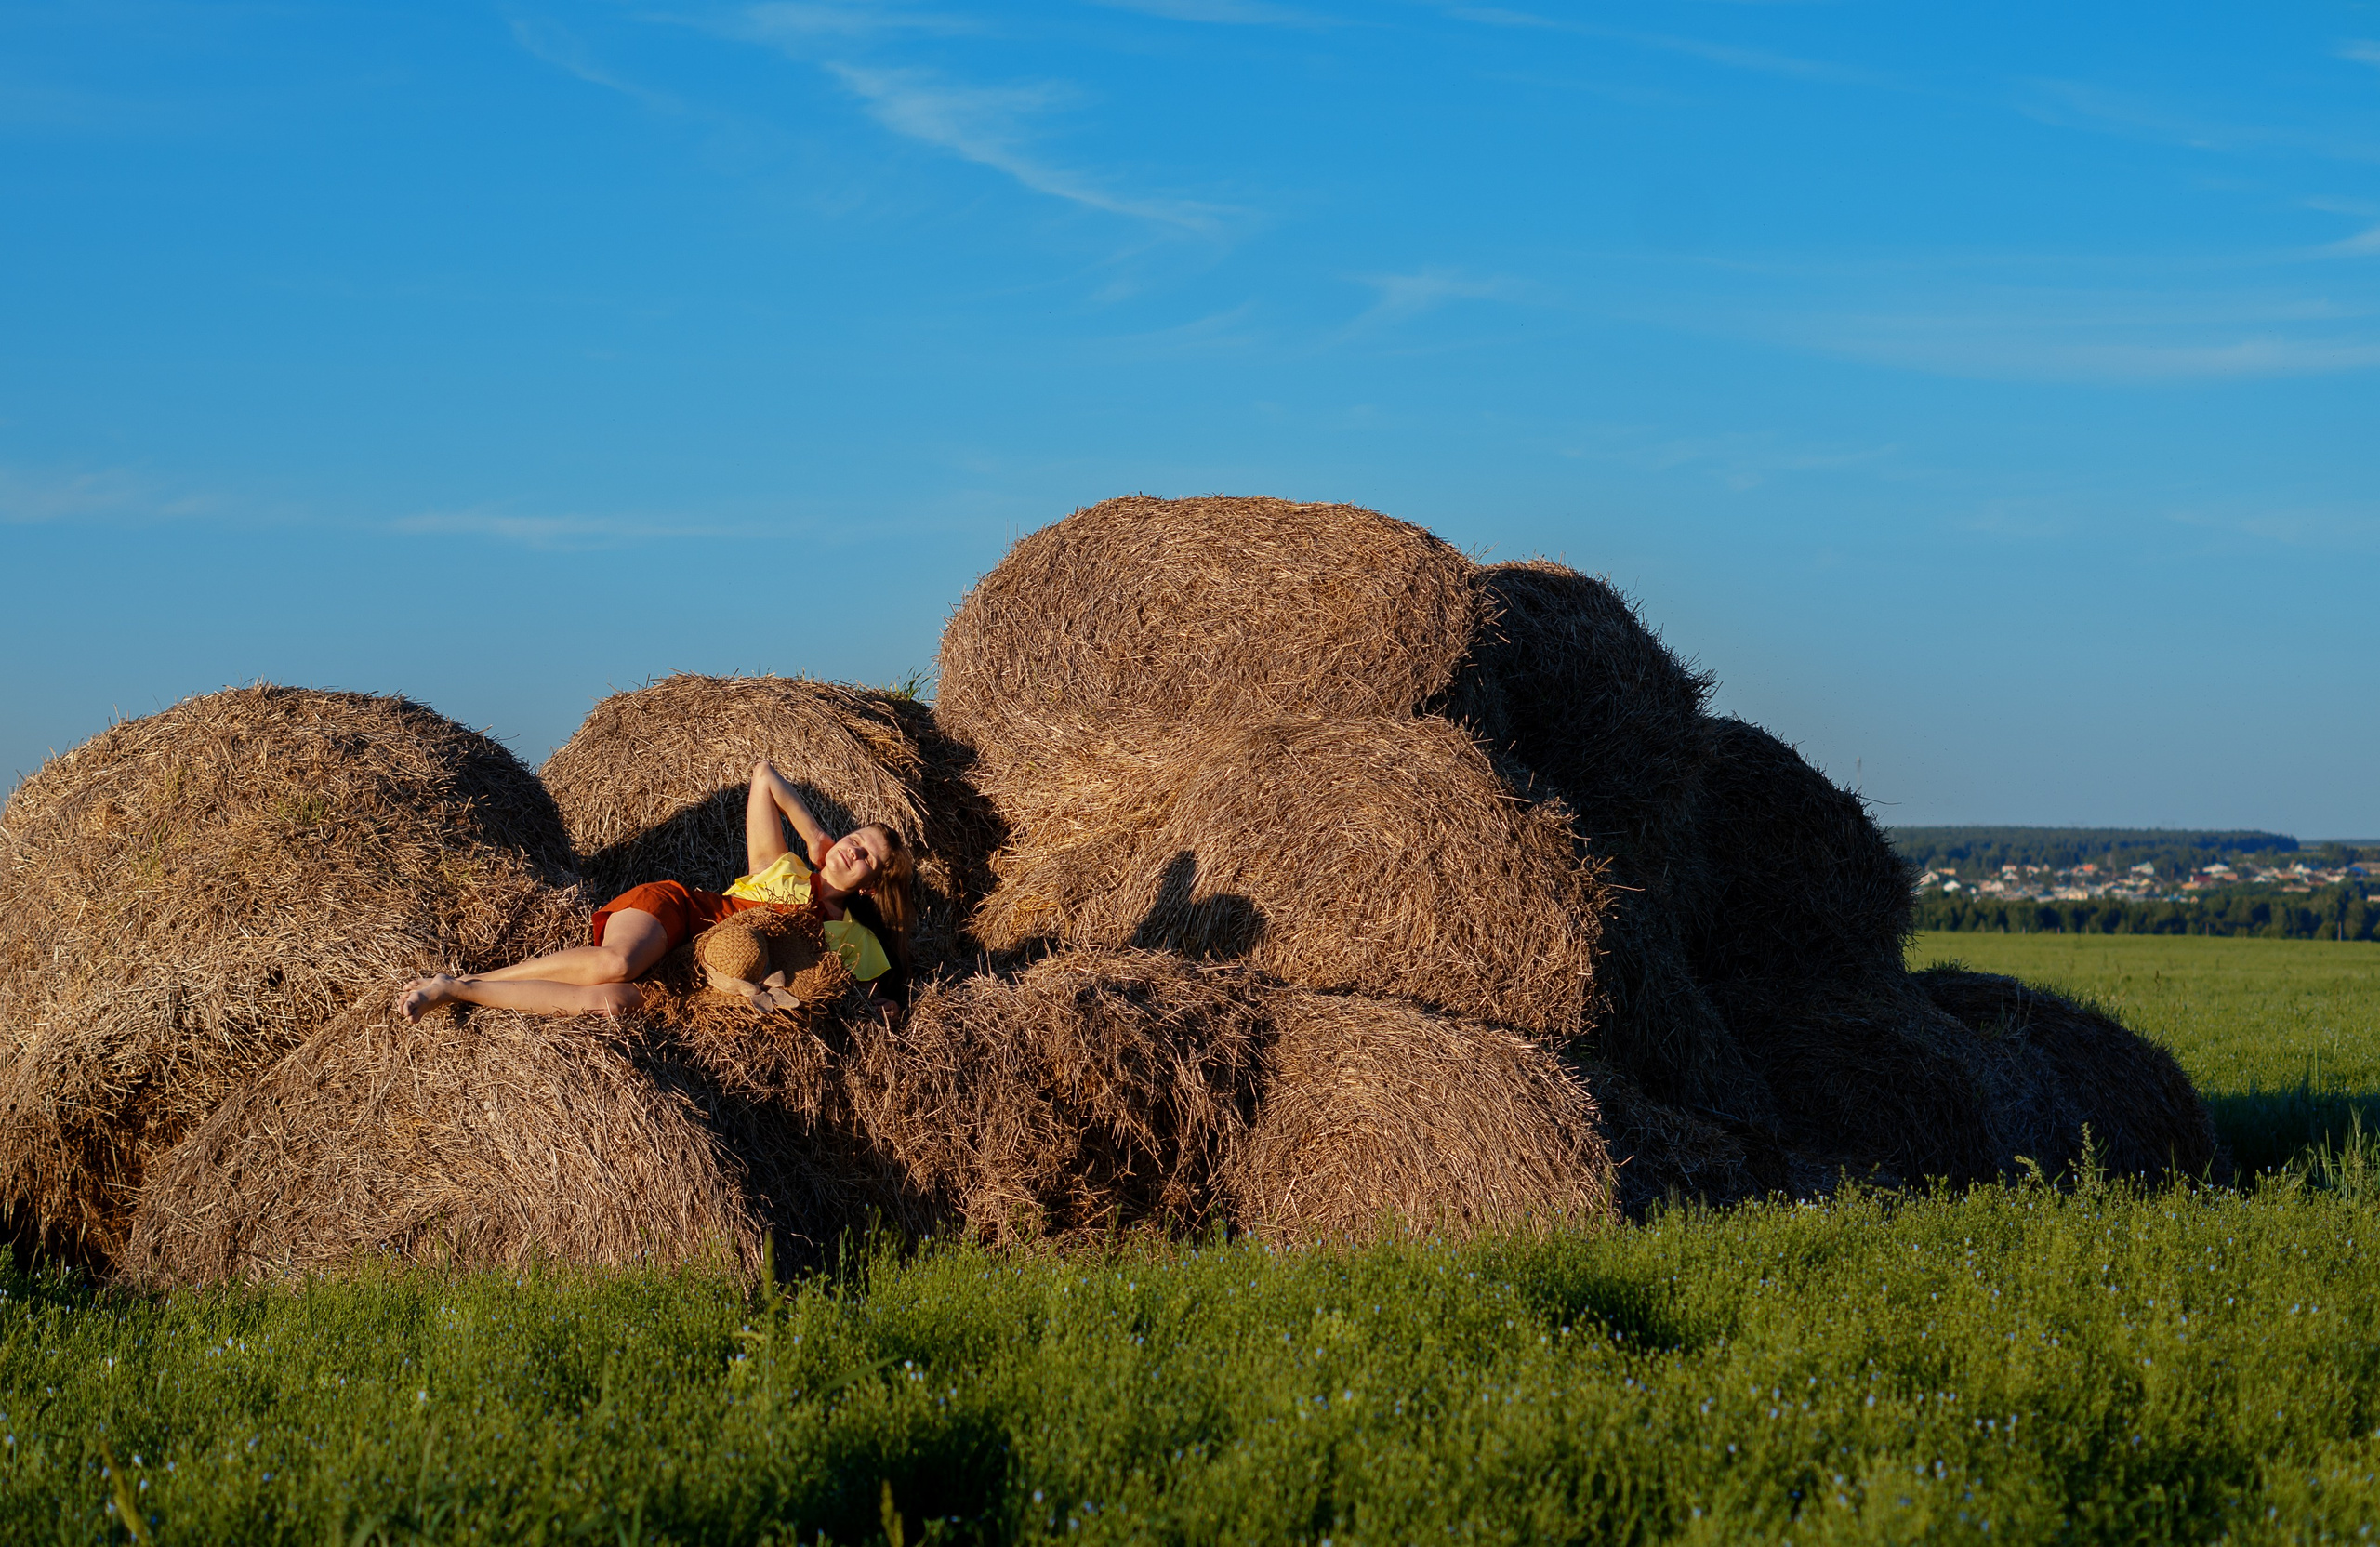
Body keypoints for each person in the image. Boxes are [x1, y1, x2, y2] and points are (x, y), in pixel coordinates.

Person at [397, 759, 916, 1022]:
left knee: (610, 1003)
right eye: (856, 838)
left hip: (699, 982)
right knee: (615, 965)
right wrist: (813, 834)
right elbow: (763, 776)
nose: (854, 850)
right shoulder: (782, 868)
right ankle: (464, 979)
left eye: (867, 856)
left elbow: (863, 1002)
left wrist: (882, 1011)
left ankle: (463, 991)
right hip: (678, 915)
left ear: (872, 887)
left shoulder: (853, 939)